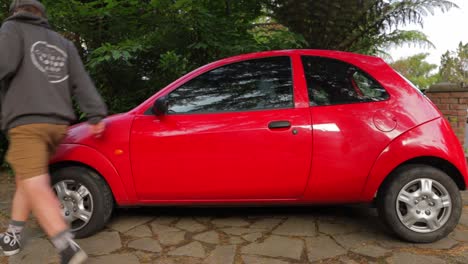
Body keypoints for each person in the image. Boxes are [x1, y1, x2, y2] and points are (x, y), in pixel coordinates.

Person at [0, 0, 107, 263]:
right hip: (57, 125)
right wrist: (95, 114)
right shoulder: (63, 43)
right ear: (42, 14)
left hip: (27, 121)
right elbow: (81, 81)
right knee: (28, 177)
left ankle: (65, 244)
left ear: (16, 11)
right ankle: (12, 235)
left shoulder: (13, 29)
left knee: (35, 182)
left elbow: (3, 64)